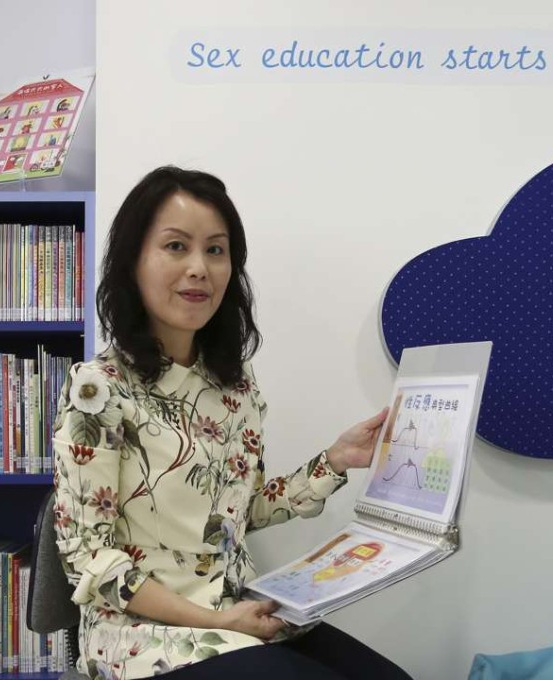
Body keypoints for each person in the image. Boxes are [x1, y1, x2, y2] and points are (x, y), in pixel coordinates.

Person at [51, 166, 412, 680]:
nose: (199, 268)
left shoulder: (234, 385)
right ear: (133, 262)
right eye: (176, 247)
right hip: (143, 637)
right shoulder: (99, 389)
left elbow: (239, 513)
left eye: (215, 250)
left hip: (240, 609)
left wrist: (335, 460)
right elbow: (87, 556)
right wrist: (218, 620)